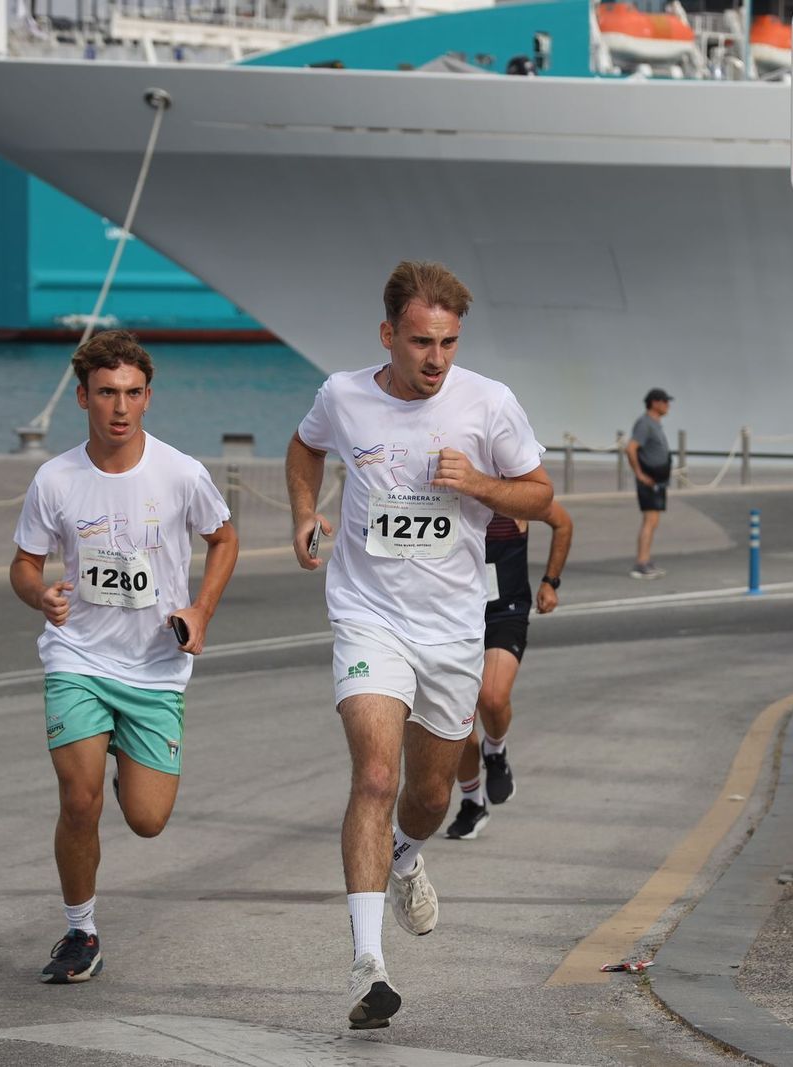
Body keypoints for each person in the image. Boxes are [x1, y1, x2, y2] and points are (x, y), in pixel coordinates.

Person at [285, 261, 553, 1029]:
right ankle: (368, 963)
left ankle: (406, 851)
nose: (436, 359)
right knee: (373, 773)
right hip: (369, 615)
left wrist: (481, 485)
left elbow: (541, 495)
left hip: (452, 627)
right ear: (388, 335)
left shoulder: (488, 403)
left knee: (430, 795)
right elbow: (304, 449)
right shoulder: (343, 396)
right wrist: (305, 513)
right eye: (420, 342)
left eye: (448, 342)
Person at [9, 330, 239, 984]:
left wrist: (200, 612)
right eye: (107, 392)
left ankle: (124, 757)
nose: (120, 407)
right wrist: (38, 594)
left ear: (148, 397)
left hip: (155, 669)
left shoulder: (181, 474)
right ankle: (80, 931)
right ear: (82, 396)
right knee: (79, 800)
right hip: (77, 657)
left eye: (133, 393)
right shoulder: (55, 478)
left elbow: (224, 540)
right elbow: (24, 564)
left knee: (147, 818)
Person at [444, 502, 574, 840]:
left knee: (491, 696)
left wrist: (550, 582)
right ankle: (473, 802)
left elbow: (563, 524)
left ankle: (496, 750)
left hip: (506, 611)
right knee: (458, 718)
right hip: (453, 616)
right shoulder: (449, 495)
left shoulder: (512, 496)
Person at [625, 387, 672, 579]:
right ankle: (641, 563)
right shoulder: (644, 423)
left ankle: (646, 559)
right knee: (649, 520)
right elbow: (630, 448)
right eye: (665, 401)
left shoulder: (656, 423)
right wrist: (640, 474)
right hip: (649, 480)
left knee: (654, 521)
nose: (668, 406)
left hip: (658, 481)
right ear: (655, 402)